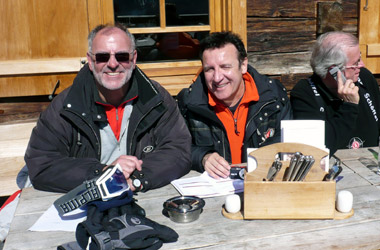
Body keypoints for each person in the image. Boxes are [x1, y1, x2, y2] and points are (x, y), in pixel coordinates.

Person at [24, 24, 191, 193]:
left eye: (122, 56)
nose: (112, 64)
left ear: (133, 59)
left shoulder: (156, 98)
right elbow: (42, 164)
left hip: (140, 195)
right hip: (85, 199)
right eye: (103, 57)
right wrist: (103, 173)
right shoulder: (66, 105)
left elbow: (179, 150)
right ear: (90, 61)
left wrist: (137, 180)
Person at [177, 31, 292, 179]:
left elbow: (288, 140)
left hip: (263, 185)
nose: (217, 78)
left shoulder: (273, 96)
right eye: (209, 69)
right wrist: (202, 157)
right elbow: (175, 148)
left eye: (225, 67)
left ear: (243, 65)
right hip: (212, 192)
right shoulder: (189, 102)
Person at [290, 31, 380, 155]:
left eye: (360, 58)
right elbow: (319, 147)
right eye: (355, 63)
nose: (362, 65)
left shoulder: (364, 78)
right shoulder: (305, 93)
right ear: (334, 71)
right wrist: (349, 106)